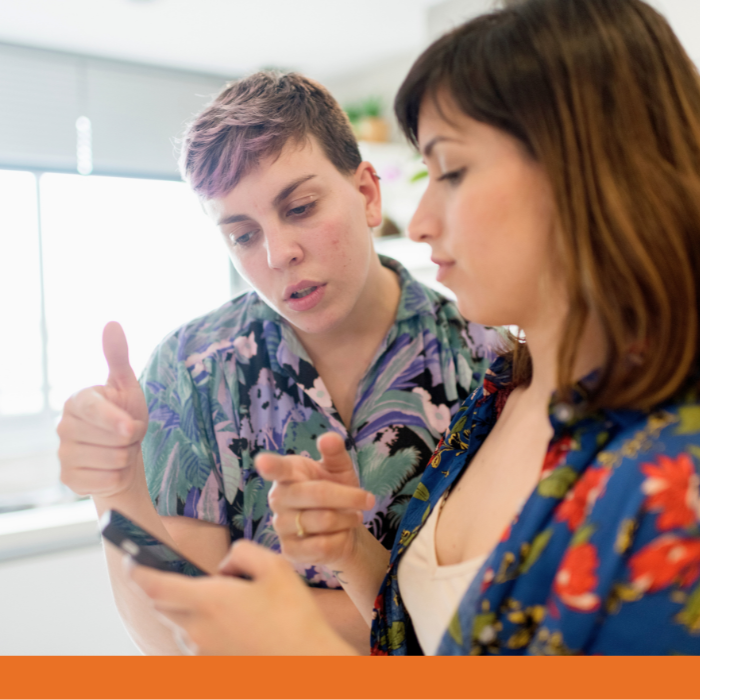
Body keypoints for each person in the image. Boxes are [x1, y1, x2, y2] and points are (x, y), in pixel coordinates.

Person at [126, 0, 699, 655]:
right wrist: (349, 553)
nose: (419, 221)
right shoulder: (505, 387)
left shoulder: (678, 467)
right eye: (242, 234)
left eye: (450, 170)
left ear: (589, 171)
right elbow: (422, 629)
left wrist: (301, 649)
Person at [57, 71, 498, 654]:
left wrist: (260, 625)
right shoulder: (191, 371)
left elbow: (482, 623)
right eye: (242, 235)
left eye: (301, 207)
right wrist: (115, 489)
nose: (277, 254)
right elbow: (185, 639)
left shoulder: (484, 359)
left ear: (367, 194)